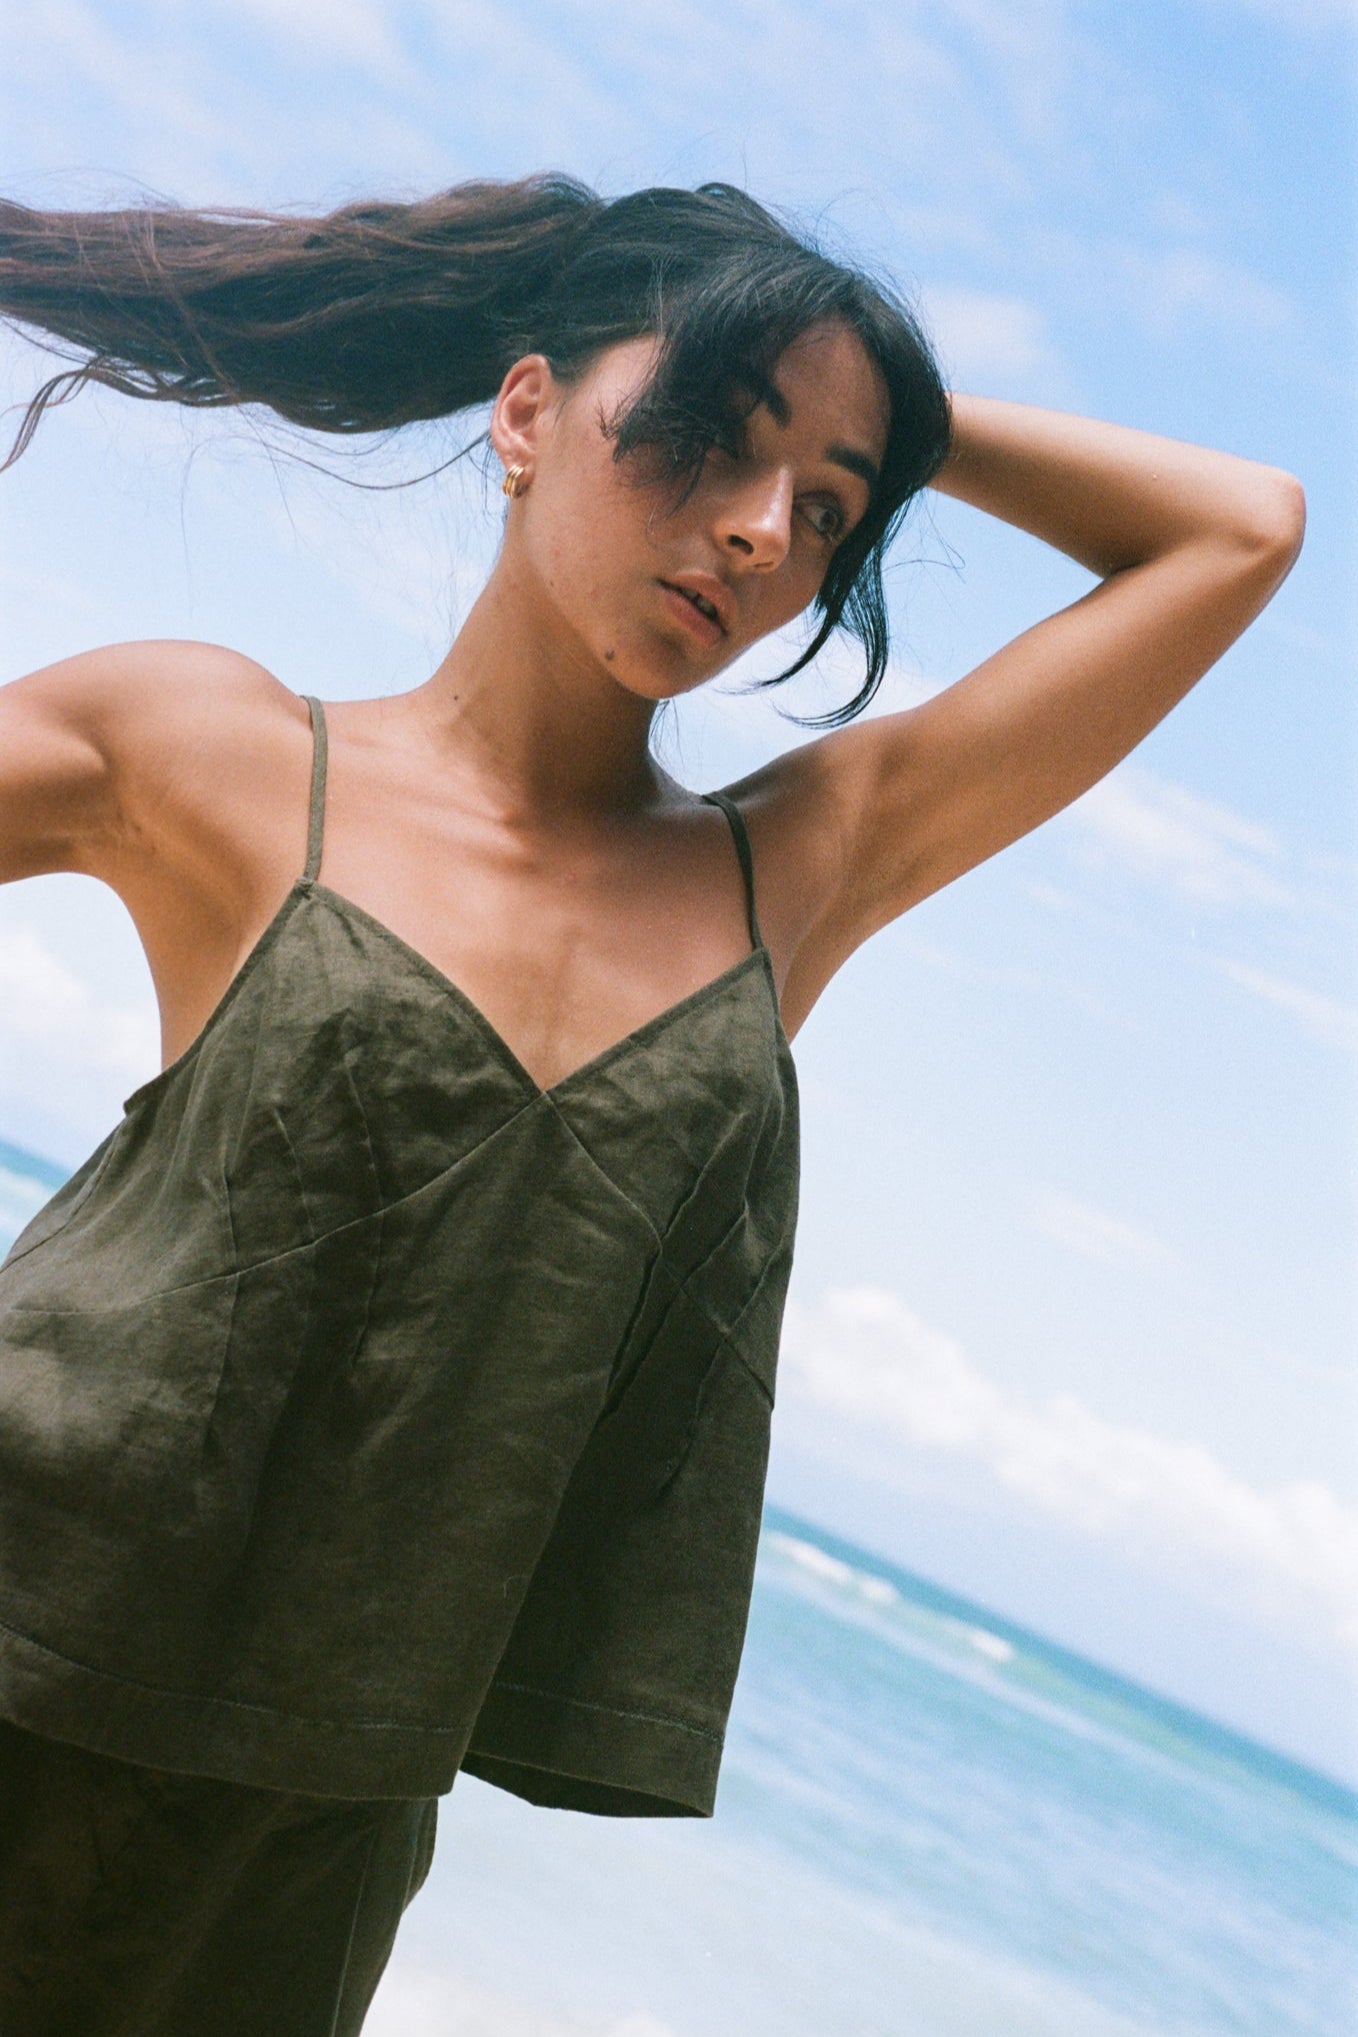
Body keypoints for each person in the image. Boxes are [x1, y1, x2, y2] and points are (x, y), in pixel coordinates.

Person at [0, 175, 1303, 2035]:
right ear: (525, 412)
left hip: (320, 1814)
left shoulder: (787, 874)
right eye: (704, 434)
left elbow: (1238, 530)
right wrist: (735, 340)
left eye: (829, 506)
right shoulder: (208, 745)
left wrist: (864, 401)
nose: (761, 528)